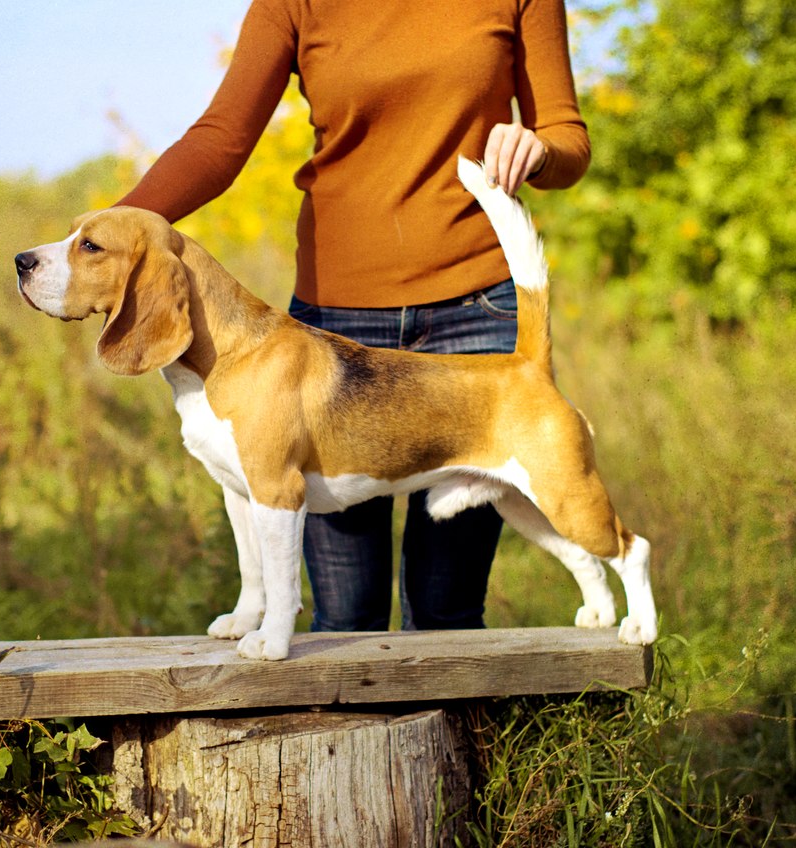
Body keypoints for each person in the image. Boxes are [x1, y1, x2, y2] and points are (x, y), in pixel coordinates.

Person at [117, 0, 590, 633]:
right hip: (333, 334)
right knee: (344, 618)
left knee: (446, 612)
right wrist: (105, 247)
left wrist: (539, 149)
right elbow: (220, 141)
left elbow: (568, 138)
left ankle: (459, 737)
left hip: (476, 314)